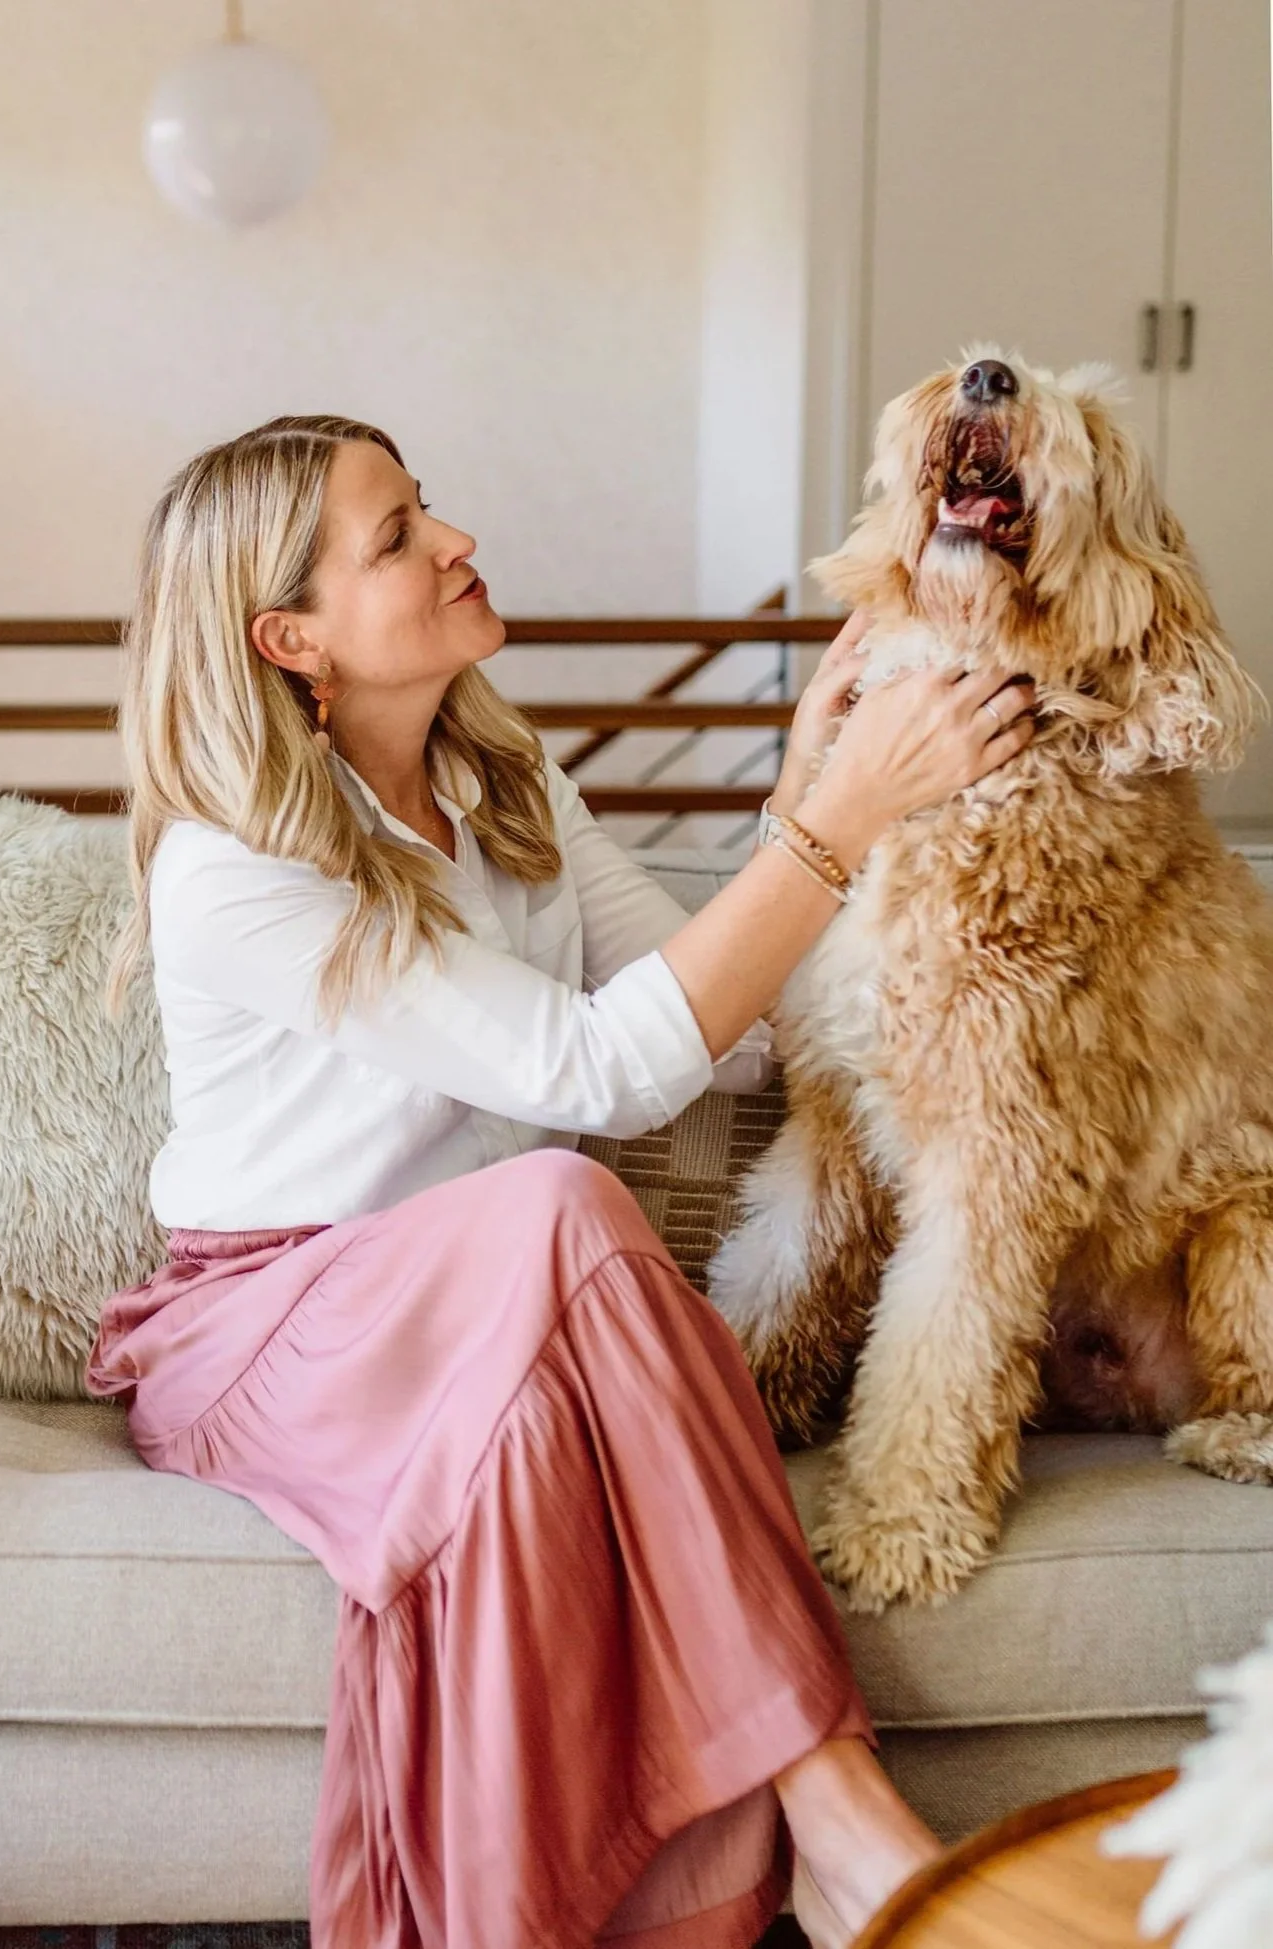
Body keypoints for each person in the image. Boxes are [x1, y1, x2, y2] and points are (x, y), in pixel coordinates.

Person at [86, 415, 1036, 1949]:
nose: (455, 540)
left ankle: (821, 1845)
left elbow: (724, 1040)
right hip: (276, 1328)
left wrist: (815, 798)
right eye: (397, 538)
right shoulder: (232, 870)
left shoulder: (504, 774)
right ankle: (844, 1821)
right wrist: (835, 821)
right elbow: (601, 1071)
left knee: (565, 1251)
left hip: (510, 1317)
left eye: (429, 507)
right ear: (291, 639)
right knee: (563, 1201)